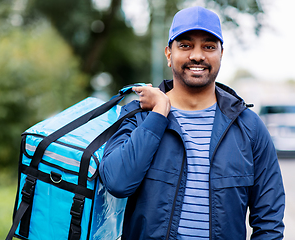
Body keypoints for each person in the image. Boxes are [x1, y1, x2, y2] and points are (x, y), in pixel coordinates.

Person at [99, 5, 285, 240]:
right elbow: (117, 182)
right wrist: (159, 113)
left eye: (208, 46)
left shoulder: (249, 127)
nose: (197, 55)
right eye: (185, 45)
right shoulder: (139, 116)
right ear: (169, 54)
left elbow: (269, 222)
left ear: (221, 54)